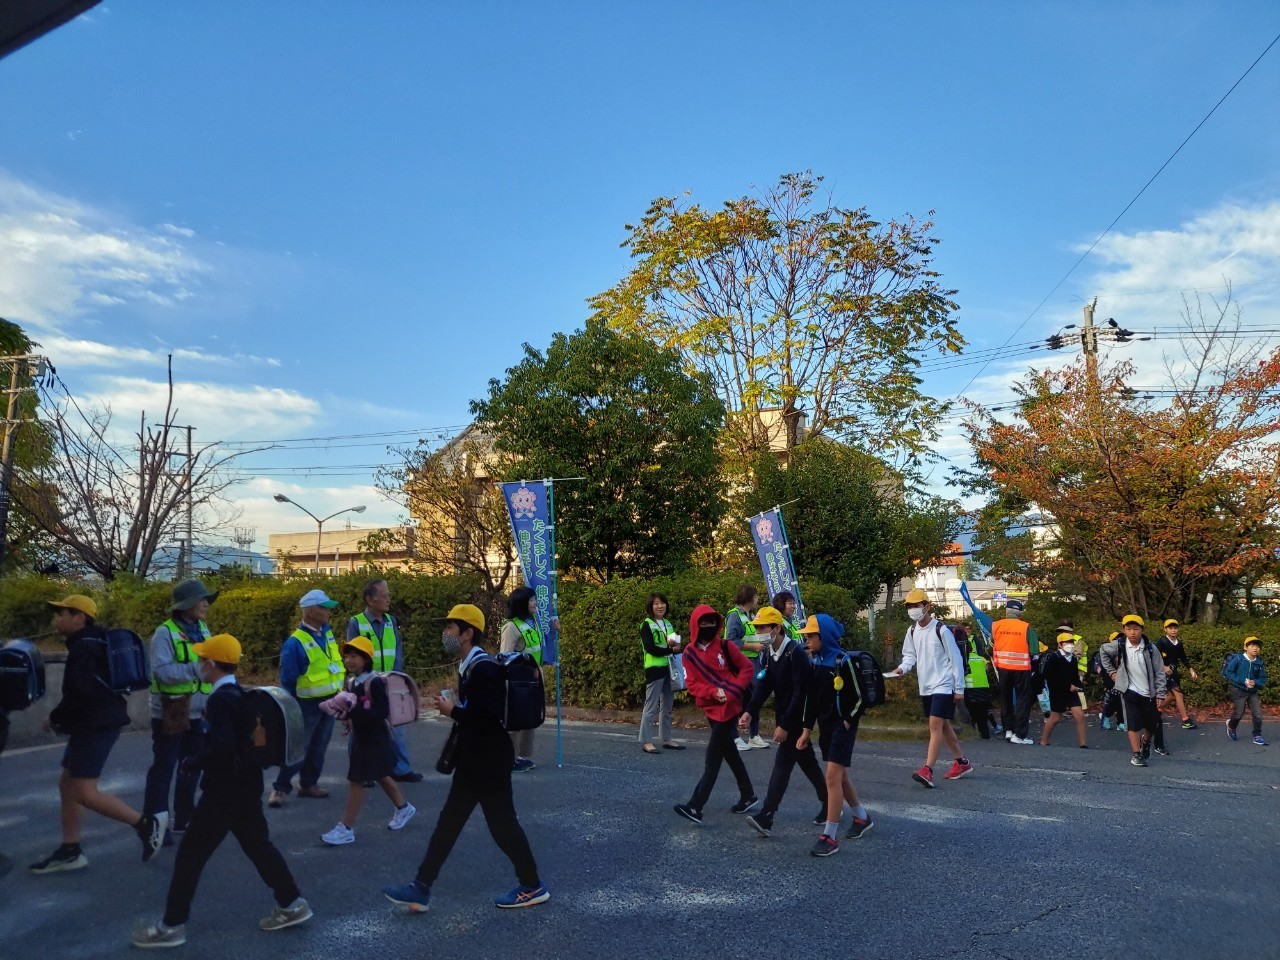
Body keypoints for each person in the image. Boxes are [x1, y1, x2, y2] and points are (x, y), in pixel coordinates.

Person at [132, 634, 312, 948]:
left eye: (202, 659)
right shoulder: (239, 694)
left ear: (211, 664)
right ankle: (292, 903)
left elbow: (223, 745)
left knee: (190, 855)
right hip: (247, 785)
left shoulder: (219, 700)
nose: (199, 664)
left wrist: (194, 762)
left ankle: (171, 926)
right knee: (258, 846)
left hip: (223, 790)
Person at [383, 604, 549, 912]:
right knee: (451, 823)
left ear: (467, 633)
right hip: (476, 757)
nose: (445, 633)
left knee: (501, 826)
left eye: (450, 627)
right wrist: (457, 708)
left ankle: (532, 885)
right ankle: (421, 886)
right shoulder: (471, 666)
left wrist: (453, 712)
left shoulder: (483, 669)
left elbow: (487, 718)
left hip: (489, 759)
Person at [30, 595, 164, 874]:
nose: (56, 619)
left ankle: (145, 825)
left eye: (62, 613)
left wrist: (55, 718)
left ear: (79, 617)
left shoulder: (84, 649)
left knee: (85, 792)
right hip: (95, 723)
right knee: (68, 786)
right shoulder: (94, 642)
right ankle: (70, 850)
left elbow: (80, 694)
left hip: (96, 726)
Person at [319, 637, 417, 846]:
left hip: (375, 738)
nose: (349, 660)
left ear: (366, 659)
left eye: (354, 656)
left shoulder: (374, 682)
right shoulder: (352, 682)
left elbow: (381, 712)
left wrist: (355, 712)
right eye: (346, 656)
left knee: (356, 780)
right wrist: (348, 719)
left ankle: (345, 828)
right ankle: (403, 807)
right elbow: (352, 709)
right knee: (380, 774)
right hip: (362, 737)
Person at [740, 607, 826, 839]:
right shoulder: (770, 653)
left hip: (797, 719)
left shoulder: (795, 653)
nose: (758, 632)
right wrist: (749, 711)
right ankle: (829, 801)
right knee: (807, 762)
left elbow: (800, 693)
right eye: (757, 628)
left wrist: (785, 726)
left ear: (777, 628)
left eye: (763, 628)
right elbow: (764, 686)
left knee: (782, 765)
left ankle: (767, 815)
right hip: (786, 716)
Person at [143, 579, 217, 850]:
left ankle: (184, 818)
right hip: (171, 711)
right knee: (163, 769)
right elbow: (161, 671)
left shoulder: (203, 629)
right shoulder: (164, 633)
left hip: (199, 712)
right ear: (186, 605)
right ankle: (155, 824)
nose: (206, 604)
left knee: (191, 767)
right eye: (201, 600)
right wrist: (197, 670)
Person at [672, 604, 758, 825]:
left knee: (713, 759)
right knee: (730, 753)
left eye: (712, 622)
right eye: (704, 623)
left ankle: (696, 805)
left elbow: (747, 668)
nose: (708, 626)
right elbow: (692, 684)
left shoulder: (726, 646)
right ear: (695, 625)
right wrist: (712, 692)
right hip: (711, 707)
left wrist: (732, 690)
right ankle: (748, 794)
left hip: (728, 708)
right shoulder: (689, 653)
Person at [798, 614, 872, 857]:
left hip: (842, 727)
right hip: (825, 727)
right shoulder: (815, 662)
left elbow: (860, 697)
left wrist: (848, 721)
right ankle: (862, 817)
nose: (807, 640)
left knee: (831, 777)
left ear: (824, 636)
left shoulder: (844, 661)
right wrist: (806, 729)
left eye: (811, 635)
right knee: (840, 777)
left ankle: (829, 836)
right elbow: (810, 699)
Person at [268, 590, 344, 808]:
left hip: (330, 701)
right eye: (324, 608)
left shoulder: (326, 633)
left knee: (319, 745)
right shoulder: (295, 643)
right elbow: (288, 679)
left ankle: (308, 784)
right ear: (310, 612)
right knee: (299, 747)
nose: (328, 612)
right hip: (306, 704)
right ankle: (280, 788)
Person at [890, 588, 972, 788]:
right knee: (943, 726)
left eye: (916, 605)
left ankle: (927, 770)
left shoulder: (941, 630)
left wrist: (959, 688)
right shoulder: (912, 631)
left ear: (927, 606)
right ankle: (961, 763)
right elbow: (910, 656)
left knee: (935, 725)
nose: (913, 609)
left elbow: (955, 660)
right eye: (910, 606)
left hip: (943, 684)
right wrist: (902, 669)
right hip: (926, 686)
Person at [347, 577, 423, 782]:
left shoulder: (391, 621)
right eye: (384, 595)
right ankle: (362, 773)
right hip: (366, 684)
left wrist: (396, 675)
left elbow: (397, 649)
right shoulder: (356, 623)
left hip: (391, 681)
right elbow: (352, 655)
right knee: (362, 728)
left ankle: (401, 769)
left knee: (398, 723)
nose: (389, 599)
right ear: (370, 599)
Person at [500, 585, 557, 772]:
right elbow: (505, 657)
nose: (535, 603)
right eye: (532, 600)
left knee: (529, 717)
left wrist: (554, 629)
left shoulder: (533, 621)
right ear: (522, 603)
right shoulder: (511, 627)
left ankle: (522, 756)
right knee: (515, 720)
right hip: (517, 682)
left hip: (534, 679)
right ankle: (509, 758)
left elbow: (540, 645)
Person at [1099, 615, 1167, 767]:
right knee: (1133, 723)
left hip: (1149, 693)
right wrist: (1112, 672)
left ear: (1142, 630)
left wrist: (1160, 693)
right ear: (1123, 630)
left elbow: (1159, 671)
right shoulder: (1120, 645)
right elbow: (1103, 651)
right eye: (1128, 629)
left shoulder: (1151, 648)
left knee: (1153, 724)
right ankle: (1136, 754)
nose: (1132, 632)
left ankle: (1146, 741)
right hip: (1129, 690)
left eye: (1136, 629)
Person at [639, 593, 684, 754]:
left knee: (667, 706)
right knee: (651, 706)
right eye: (656, 603)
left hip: (669, 668)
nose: (660, 606)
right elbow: (650, 648)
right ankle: (646, 741)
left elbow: (673, 643)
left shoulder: (667, 623)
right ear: (650, 606)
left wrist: (676, 645)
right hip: (654, 669)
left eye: (662, 603)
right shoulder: (646, 625)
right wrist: (670, 650)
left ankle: (666, 739)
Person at [725, 584, 768, 750]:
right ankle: (733, 737)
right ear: (749, 598)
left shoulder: (752, 615)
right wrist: (753, 646)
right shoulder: (734, 615)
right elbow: (730, 641)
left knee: (755, 698)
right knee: (736, 699)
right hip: (739, 663)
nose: (757, 599)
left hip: (754, 662)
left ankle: (754, 735)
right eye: (755, 596)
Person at [992, 598, 1039, 745]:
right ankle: (1019, 734)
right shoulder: (1026, 627)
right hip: (1021, 669)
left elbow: (991, 645)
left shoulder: (996, 625)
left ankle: (1008, 730)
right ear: (1020, 613)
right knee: (1023, 700)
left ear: (1006, 611)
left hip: (1003, 668)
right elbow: (1034, 650)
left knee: (1005, 699)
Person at [1040, 632, 1088, 748]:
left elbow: (1074, 676)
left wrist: (1079, 685)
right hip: (1058, 692)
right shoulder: (1054, 657)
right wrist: (1067, 686)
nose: (1070, 645)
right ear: (1060, 645)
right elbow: (1049, 676)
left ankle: (1083, 743)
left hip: (1072, 692)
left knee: (1079, 715)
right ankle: (1044, 741)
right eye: (1067, 643)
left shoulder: (1073, 658)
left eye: (1071, 642)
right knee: (1055, 718)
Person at [1156, 619, 1198, 730]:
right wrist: (1163, 667)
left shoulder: (1179, 643)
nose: (1173, 630)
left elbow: (1183, 657)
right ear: (1165, 629)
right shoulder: (1162, 641)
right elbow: (1154, 657)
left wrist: (1190, 669)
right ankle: (1185, 720)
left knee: (1172, 696)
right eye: (1170, 628)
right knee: (1178, 694)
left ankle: (1156, 710)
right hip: (1163, 672)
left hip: (1174, 672)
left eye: (1175, 628)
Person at [1224, 637, 1267, 746]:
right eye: (1252, 646)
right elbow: (1229, 672)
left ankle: (1257, 735)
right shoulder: (1238, 659)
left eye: (1258, 646)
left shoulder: (1259, 662)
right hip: (1238, 690)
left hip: (1252, 691)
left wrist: (1255, 682)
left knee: (1257, 714)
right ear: (1245, 647)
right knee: (1239, 713)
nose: (1255, 648)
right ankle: (1231, 726)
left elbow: (1262, 678)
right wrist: (1243, 681)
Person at [961, 625, 998, 739]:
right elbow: (987, 668)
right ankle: (985, 735)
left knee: (972, 715)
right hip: (984, 689)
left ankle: (972, 735)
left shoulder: (963, 660)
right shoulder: (981, 659)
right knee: (983, 715)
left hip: (970, 689)